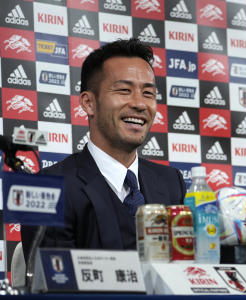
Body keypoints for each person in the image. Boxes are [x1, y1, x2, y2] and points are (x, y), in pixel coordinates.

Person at [21, 38, 186, 262]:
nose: (139, 103)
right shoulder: (48, 189)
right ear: (89, 103)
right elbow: (58, 284)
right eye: (124, 90)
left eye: (148, 93)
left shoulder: (171, 182)